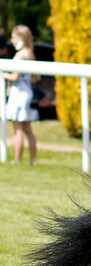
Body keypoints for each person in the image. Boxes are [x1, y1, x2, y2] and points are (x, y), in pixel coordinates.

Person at [3, 25, 39, 165]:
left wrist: (5, 74)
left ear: (21, 38)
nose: (11, 40)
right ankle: (32, 160)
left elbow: (15, 77)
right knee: (28, 129)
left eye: (13, 37)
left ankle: (17, 160)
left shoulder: (19, 55)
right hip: (28, 92)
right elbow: (36, 78)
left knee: (18, 129)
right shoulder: (31, 53)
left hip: (18, 94)